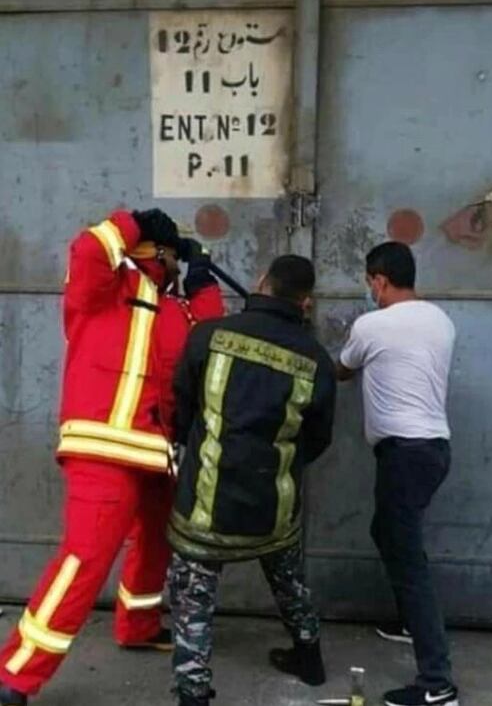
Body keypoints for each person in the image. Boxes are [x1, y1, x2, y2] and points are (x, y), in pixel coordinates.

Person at [0, 208, 224, 706]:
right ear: (153, 250)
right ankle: (15, 673)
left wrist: (204, 279)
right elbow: (88, 247)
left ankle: (139, 624)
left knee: (155, 544)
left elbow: (209, 343)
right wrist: (135, 221)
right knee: (84, 559)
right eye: (168, 250)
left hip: (155, 454)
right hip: (102, 448)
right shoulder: (105, 287)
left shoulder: (175, 310)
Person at [168, 255, 337, 706]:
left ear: (261, 282)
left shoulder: (208, 336)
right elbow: (318, 439)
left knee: (193, 599)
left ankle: (193, 692)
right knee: (289, 580)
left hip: (207, 502)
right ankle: (310, 658)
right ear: (306, 302)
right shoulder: (315, 360)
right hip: (274, 507)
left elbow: (180, 410)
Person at [337, 242, 458, 706]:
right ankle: (411, 622)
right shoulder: (440, 320)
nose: (371, 291)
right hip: (432, 451)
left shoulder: (372, 325)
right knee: (387, 533)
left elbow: (344, 370)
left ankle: (437, 684)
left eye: (371, 283)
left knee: (407, 561)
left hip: (404, 455)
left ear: (380, 280)